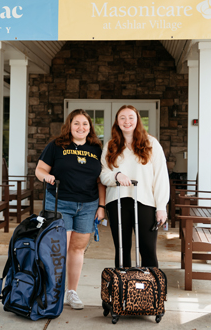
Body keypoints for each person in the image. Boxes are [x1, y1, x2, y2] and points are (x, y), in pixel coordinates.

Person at [35, 109, 106, 310]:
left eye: (85, 124)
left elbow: (100, 180)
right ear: (69, 125)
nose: (81, 127)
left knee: (77, 249)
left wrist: (101, 206)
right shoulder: (56, 146)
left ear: (90, 127)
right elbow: (39, 169)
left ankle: (71, 292)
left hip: (88, 204)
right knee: (60, 250)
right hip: (60, 202)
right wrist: (45, 177)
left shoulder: (96, 149)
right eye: (76, 123)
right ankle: (53, 291)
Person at [100, 105, 170, 268]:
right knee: (122, 250)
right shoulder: (110, 146)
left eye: (131, 117)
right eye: (122, 118)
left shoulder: (151, 144)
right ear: (117, 122)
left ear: (137, 120)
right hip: (117, 202)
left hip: (145, 201)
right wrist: (116, 176)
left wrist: (161, 206)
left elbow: (160, 176)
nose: (127, 121)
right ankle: (124, 291)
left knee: (148, 250)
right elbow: (103, 174)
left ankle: (150, 291)